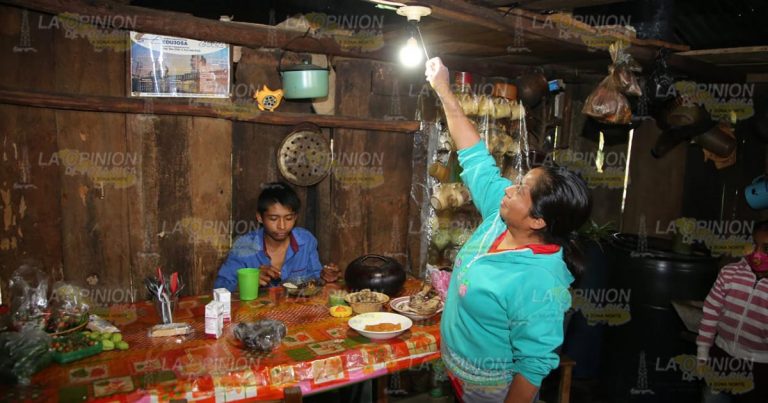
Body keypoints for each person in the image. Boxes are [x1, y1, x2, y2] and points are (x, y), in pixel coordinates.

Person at [425, 57, 591, 403]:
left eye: (520, 190)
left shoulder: (540, 281)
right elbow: (474, 154)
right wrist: (443, 88)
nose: (508, 189)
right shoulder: (500, 219)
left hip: (491, 391)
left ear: (537, 221)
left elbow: (533, 367)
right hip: (458, 374)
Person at [214, 182, 340, 292]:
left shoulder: (306, 241)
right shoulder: (244, 246)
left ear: (295, 217)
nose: (282, 226)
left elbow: (316, 279)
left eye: (288, 218)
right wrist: (250, 281)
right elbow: (219, 289)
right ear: (259, 217)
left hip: (298, 314)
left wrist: (326, 277)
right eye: (273, 218)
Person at [697, 220, 768, 403]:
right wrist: (703, 353)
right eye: (754, 245)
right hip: (721, 358)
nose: (757, 253)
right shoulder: (729, 273)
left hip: (759, 368)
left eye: (766, 248)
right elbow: (710, 313)